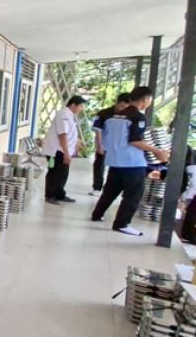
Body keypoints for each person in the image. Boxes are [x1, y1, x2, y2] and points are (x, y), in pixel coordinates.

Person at [91, 86, 170, 236]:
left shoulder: (115, 115)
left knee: (110, 191)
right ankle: (122, 224)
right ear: (145, 99)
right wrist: (157, 151)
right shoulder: (137, 117)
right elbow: (134, 141)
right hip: (132, 162)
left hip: (115, 160)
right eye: (150, 100)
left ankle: (97, 214)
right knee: (134, 194)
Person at [42, 95, 87, 205]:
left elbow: (69, 133)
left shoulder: (69, 115)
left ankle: (59, 194)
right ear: (73, 105)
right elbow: (63, 135)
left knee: (63, 174)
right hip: (57, 151)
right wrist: (66, 154)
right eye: (81, 106)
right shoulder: (63, 115)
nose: (82, 109)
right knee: (55, 173)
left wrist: (76, 142)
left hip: (63, 150)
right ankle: (50, 195)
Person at [90, 93, 131, 196]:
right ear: (117, 102)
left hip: (119, 147)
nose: (122, 109)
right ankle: (97, 187)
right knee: (99, 165)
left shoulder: (129, 115)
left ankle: (110, 189)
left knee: (115, 168)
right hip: (104, 145)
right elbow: (98, 130)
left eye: (125, 107)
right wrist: (99, 144)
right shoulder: (104, 114)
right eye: (121, 106)